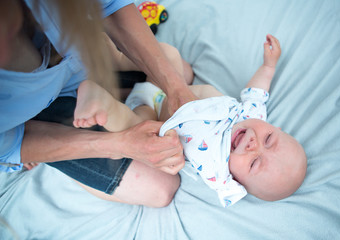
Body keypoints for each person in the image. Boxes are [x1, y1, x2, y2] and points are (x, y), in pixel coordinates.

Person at [0, 0, 197, 207]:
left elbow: (111, 7)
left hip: (78, 63)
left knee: (182, 72)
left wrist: (176, 87)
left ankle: (120, 95)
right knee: (160, 189)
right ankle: (106, 103)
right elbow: (7, 146)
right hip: (36, 118)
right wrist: (120, 144)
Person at [73, 34, 307, 207]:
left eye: (254, 163)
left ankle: (100, 103)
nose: (253, 145)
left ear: (238, 182)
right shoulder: (252, 116)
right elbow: (256, 92)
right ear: (274, 127)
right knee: (170, 55)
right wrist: (269, 65)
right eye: (268, 139)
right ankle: (118, 58)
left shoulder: (222, 176)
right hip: (164, 85)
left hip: (151, 118)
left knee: (127, 124)